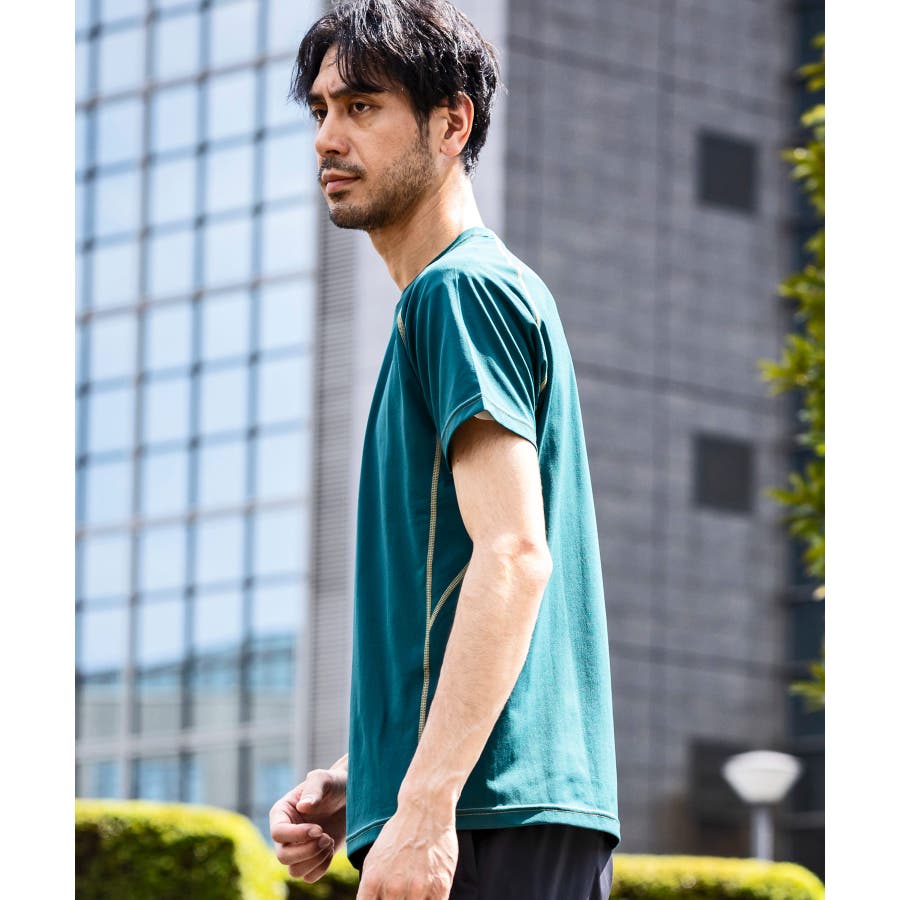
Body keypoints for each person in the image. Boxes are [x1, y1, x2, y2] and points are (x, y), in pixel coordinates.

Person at [268, 2, 620, 897]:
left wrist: (425, 803)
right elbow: (461, 579)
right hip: (495, 815)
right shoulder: (453, 301)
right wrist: (370, 775)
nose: (328, 137)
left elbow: (514, 554)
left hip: (486, 822)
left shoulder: (458, 292)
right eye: (321, 110)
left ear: (451, 122)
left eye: (363, 106)